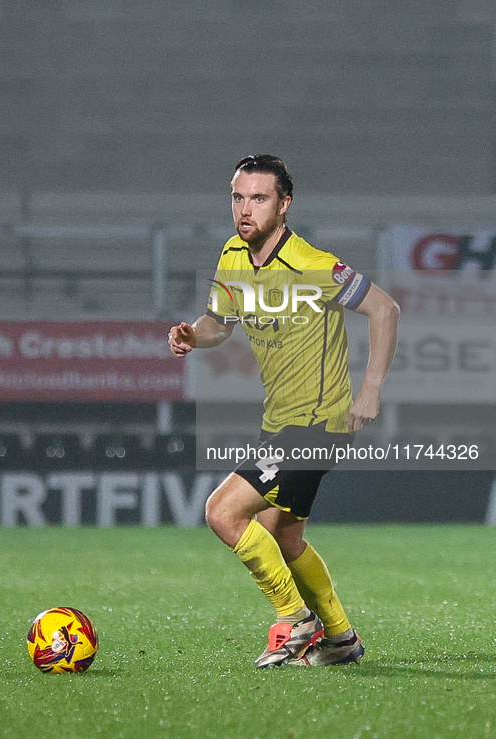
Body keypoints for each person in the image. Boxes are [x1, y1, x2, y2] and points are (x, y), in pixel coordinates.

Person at [168, 154, 399, 668]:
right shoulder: (232, 254)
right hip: (282, 421)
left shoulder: (311, 264)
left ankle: (296, 621)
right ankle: (340, 640)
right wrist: (192, 335)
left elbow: (385, 308)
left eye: (259, 198)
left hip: (318, 422)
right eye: (238, 197)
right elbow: (218, 324)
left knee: (222, 512)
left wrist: (372, 390)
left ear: (284, 204)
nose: (245, 209)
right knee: (283, 535)